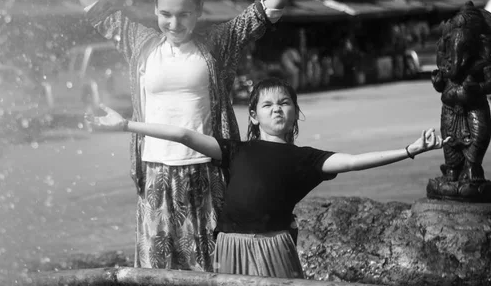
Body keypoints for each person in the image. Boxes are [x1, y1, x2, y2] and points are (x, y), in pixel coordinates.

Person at [46, 0, 321, 271]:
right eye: (166, 14)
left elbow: (269, 9)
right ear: (156, 11)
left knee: (211, 269)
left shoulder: (216, 45)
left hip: (205, 171)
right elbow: (94, 8)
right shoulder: (138, 42)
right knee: (155, 272)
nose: (174, 23)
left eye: (184, 14)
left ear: (199, 11)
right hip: (155, 173)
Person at [85, 77, 449, 278]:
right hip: (230, 243)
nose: (277, 108)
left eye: (285, 103)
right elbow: (182, 135)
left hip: (273, 244)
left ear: (295, 113)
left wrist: (409, 150)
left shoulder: (306, 160)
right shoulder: (235, 150)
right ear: (255, 115)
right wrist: (124, 124)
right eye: (268, 104)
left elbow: (354, 161)